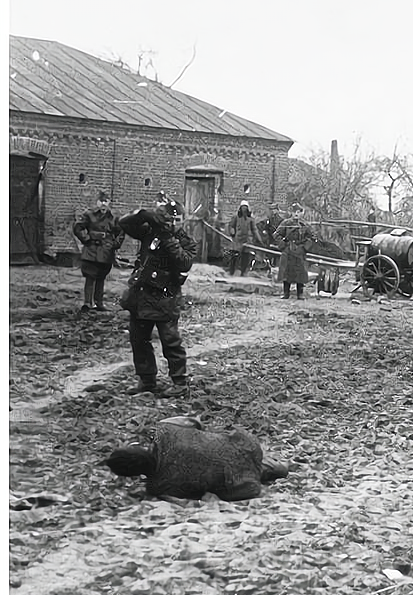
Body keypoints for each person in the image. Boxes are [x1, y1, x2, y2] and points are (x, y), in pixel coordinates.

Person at [118, 196, 198, 398]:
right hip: (142, 296)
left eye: (176, 220)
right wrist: (145, 215)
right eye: (168, 219)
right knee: (139, 340)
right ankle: (147, 380)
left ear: (183, 221)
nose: (172, 223)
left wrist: (167, 237)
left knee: (170, 342)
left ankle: (179, 383)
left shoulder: (186, 242)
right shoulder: (149, 232)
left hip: (166, 298)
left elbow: (183, 262)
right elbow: (123, 223)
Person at [103, 415, 289, 501]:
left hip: (238, 483)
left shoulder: (158, 486)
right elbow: (196, 422)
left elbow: (195, 494)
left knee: (248, 474)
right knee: (251, 460)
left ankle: (269, 469)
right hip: (243, 445)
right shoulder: (162, 431)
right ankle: (271, 465)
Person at [72, 190, 124, 312]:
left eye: (106, 201)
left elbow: (121, 232)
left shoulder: (114, 218)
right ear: (97, 202)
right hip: (91, 249)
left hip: (106, 251)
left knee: (101, 276)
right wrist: (86, 239)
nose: (103, 204)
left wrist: (115, 244)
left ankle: (99, 303)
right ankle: (87, 303)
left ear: (109, 202)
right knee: (90, 276)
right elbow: (77, 227)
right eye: (101, 201)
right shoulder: (89, 215)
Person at [274, 201, 315, 300]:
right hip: (288, 250)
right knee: (286, 273)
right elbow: (276, 235)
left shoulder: (305, 225)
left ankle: (300, 294)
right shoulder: (285, 223)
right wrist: (283, 245)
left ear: (301, 213)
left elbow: (313, 237)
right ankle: (286, 293)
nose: (296, 214)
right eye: (294, 212)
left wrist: (305, 248)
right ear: (291, 213)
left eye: (298, 212)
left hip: (300, 251)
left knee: (300, 273)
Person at [227, 199, 260, 276]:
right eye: (242, 207)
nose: (244, 209)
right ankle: (231, 271)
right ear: (240, 208)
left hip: (248, 240)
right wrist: (232, 232)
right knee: (234, 256)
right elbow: (231, 226)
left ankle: (243, 271)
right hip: (238, 240)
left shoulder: (251, 219)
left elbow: (254, 230)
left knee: (245, 257)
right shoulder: (236, 217)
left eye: (245, 207)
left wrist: (259, 239)